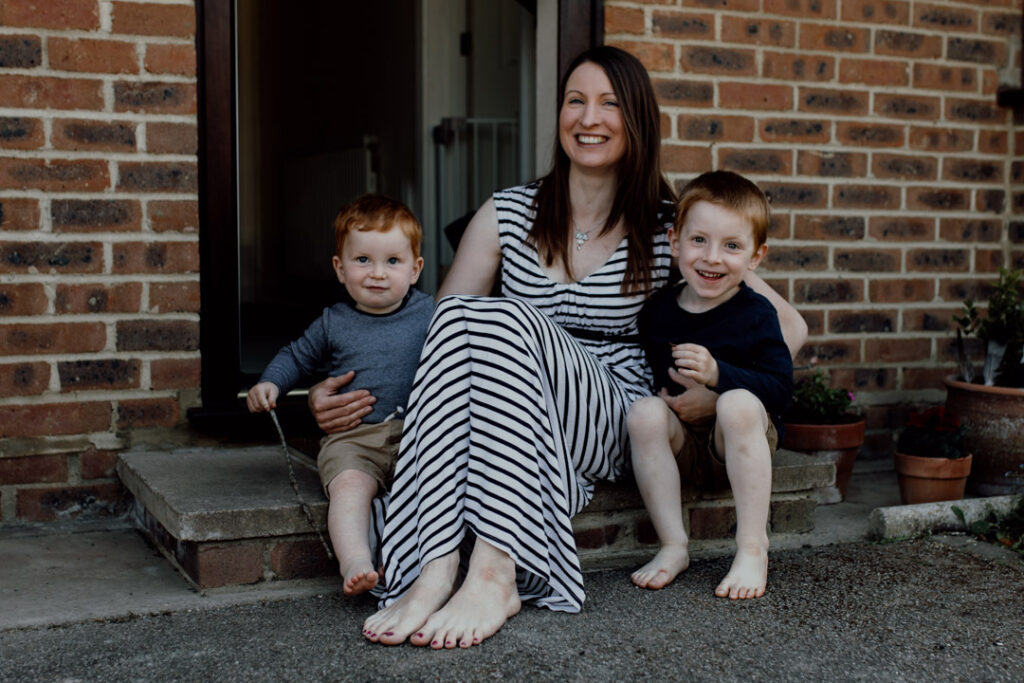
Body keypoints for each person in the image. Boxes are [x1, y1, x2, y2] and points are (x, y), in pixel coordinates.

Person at [310, 47, 807, 649]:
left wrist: (719, 385)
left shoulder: (674, 225)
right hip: (516, 405)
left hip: (610, 407)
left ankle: (494, 573)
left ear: (638, 120)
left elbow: (789, 328)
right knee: (465, 315)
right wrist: (337, 387)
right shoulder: (508, 212)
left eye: (609, 104)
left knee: (504, 316)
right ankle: (435, 566)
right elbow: (436, 330)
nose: (588, 117)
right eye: (576, 100)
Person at [247, 194, 434, 596]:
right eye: (362, 260)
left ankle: (418, 565)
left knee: (434, 485)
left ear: (416, 269)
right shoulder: (334, 322)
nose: (377, 273)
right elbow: (294, 356)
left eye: (393, 261)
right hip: (353, 440)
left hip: (419, 435)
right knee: (349, 489)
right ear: (340, 268)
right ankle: (355, 560)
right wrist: (270, 383)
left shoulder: (432, 315)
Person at [627, 170, 793, 600]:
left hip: (735, 442)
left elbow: (780, 389)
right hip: (682, 446)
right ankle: (673, 545)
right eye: (699, 240)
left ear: (756, 257)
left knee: (737, 403)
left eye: (732, 246)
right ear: (675, 241)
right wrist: (669, 400)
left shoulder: (756, 314)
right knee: (644, 412)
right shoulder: (657, 312)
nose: (712, 258)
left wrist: (720, 378)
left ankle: (753, 548)